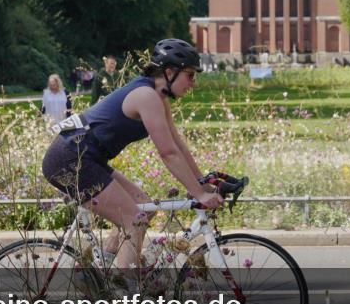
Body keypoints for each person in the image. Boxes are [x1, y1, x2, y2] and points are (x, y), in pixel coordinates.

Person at [41, 38, 223, 270]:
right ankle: (126, 298)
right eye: (190, 75)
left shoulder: (158, 97)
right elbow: (167, 153)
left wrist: (202, 184)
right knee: (134, 221)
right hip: (69, 159)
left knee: (145, 208)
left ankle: (99, 276)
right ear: (170, 72)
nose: (193, 83)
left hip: (85, 157)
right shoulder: (147, 97)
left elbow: (177, 145)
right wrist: (199, 194)